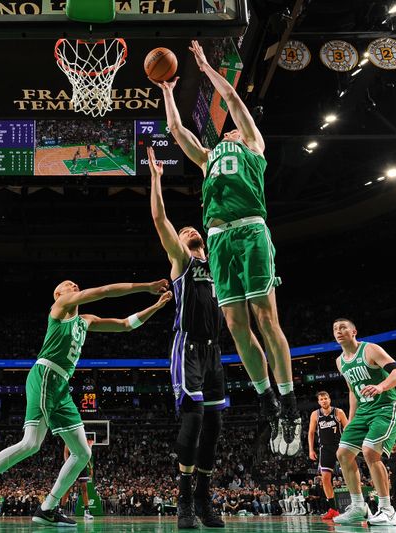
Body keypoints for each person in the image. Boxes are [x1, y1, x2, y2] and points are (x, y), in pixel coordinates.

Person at [151, 40, 300, 455]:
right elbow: (178, 131)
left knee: (265, 317)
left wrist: (203, 65)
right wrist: (167, 94)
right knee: (235, 325)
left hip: (251, 230)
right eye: (228, 128)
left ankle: (289, 402)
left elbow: (232, 97)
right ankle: (267, 400)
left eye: (232, 126)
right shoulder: (207, 157)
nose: (229, 128)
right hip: (218, 240)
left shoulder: (252, 144)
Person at [0, 279, 172, 526]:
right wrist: (147, 286)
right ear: (58, 293)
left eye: (76, 284)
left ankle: (48, 507)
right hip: (46, 375)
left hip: (61, 385)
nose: (74, 285)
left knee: (81, 451)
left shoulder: (85, 320)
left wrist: (156, 306)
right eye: (68, 284)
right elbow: (104, 291)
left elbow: (125, 325)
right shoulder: (61, 306)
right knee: (31, 443)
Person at [147, 146, 225, 529]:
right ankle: (183, 499)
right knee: (193, 422)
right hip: (187, 349)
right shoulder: (183, 262)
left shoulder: (217, 266)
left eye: (192, 228)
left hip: (215, 352)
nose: (189, 229)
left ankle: (204, 497)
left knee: (214, 427)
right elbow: (161, 218)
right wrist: (157, 179)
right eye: (184, 231)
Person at [331, 318, 396, 526]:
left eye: (343, 327)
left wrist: (381, 387)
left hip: (386, 407)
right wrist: (351, 419)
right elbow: (352, 390)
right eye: (335, 329)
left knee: (370, 451)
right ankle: (358, 506)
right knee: (343, 454)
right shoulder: (340, 361)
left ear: (354, 331)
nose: (339, 331)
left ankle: (387, 510)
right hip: (363, 411)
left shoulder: (370, 349)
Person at [308, 390, 348, 520]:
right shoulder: (315, 414)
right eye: (321, 399)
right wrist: (311, 450)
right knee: (325, 479)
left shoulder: (339, 412)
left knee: (349, 475)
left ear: (329, 399)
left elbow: (347, 429)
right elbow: (311, 433)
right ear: (318, 402)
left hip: (340, 447)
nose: (324, 401)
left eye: (326, 398)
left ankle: (358, 504)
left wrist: (349, 446)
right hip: (324, 449)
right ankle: (333, 509)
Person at [60, 438, 95, 521]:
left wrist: (90, 467)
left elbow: (86, 455)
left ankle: (86, 511)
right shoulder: (69, 439)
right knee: (68, 488)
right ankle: (61, 510)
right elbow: (65, 453)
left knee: (84, 488)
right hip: (72, 465)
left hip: (82, 466)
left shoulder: (82, 441)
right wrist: (67, 465)